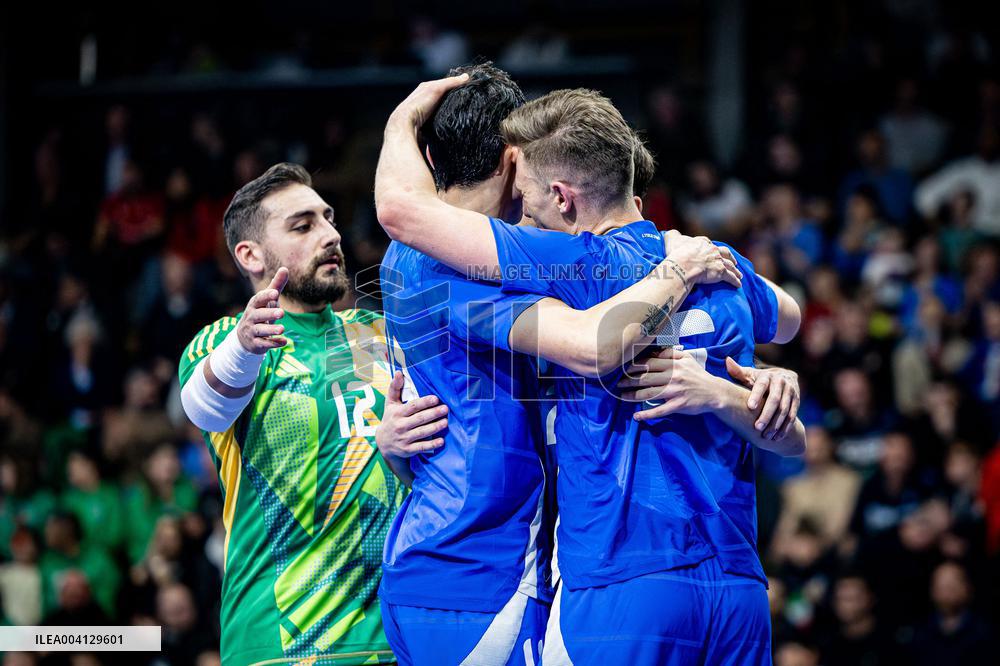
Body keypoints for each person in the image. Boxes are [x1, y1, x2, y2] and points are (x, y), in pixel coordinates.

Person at [375, 76, 806, 665]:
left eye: (530, 198)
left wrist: (402, 118)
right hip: (736, 580)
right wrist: (747, 384)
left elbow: (401, 211)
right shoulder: (718, 264)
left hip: (617, 581)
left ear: (563, 197)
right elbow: (788, 319)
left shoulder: (569, 265)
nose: (522, 213)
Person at [177, 163, 433, 664]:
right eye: (303, 225)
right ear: (249, 255)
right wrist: (246, 345)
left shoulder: (375, 334)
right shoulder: (227, 343)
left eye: (329, 218)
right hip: (280, 643)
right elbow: (205, 409)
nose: (331, 234)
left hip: (396, 640)